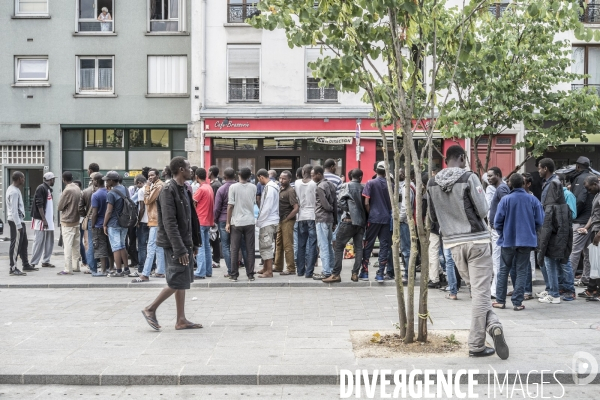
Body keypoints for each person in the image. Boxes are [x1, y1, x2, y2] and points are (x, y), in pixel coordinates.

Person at [428, 145, 508, 359]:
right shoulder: (469, 177)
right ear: (462, 158)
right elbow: (483, 210)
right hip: (477, 241)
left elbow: (432, 218)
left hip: (453, 244)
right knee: (481, 293)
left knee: (476, 291)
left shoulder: (432, 182)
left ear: (446, 160)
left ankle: (493, 325)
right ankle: (476, 344)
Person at [141, 157, 202, 331]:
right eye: (189, 167)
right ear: (181, 169)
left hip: (184, 241)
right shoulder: (168, 190)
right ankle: (150, 309)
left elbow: (192, 218)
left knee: (182, 280)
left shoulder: (184, 189)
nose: (192, 170)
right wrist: (180, 248)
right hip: (175, 243)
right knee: (176, 279)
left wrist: (194, 243)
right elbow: (169, 223)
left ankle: (181, 319)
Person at [493, 173, 544, 311]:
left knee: (503, 270)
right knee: (522, 271)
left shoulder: (505, 200)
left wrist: (502, 233)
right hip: (526, 241)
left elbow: (497, 221)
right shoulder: (533, 200)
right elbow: (540, 221)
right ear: (523, 183)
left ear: (510, 184)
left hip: (508, 240)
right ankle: (517, 302)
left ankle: (500, 300)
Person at [536, 158, 573, 304]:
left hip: (552, 228)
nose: (538, 170)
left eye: (539, 168)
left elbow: (551, 208)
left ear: (545, 168)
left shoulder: (553, 183)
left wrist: (547, 228)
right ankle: (552, 288)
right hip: (553, 227)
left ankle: (555, 292)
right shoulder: (552, 183)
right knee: (549, 259)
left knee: (549, 259)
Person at [324, 168, 366, 283]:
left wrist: (348, 210)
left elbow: (340, 201)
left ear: (350, 176)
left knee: (338, 247)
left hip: (348, 220)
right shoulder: (364, 187)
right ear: (361, 177)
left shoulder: (345, 186)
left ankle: (336, 274)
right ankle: (355, 274)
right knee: (358, 248)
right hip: (361, 223)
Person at [361, 161, 393, 282]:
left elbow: (366, 202)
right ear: (386, 171)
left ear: (376, 170)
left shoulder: (370, 183)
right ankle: (380, 273)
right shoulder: (391, 185)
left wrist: (371, 213)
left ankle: (364, 272)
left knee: (368, 244)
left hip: (374, 218)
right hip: (386, 218)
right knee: (384, 245)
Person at [132, 169, 165, 283]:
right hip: (156, 220)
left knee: (150, 247)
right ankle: (160, 271)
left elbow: (147, 200)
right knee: (158, 246)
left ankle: (145, 274)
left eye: (152, 175)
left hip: (155, 220)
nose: (150, 177)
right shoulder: (157, 185)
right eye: (149, 175)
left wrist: (146, 187)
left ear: (158, 175)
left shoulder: (157, 186)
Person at [226, 167, 257, 282]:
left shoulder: (233, 187)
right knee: (250, 248)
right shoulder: (253, 187)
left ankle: (234, 275)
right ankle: (250, 274)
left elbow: (230, 205)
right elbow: (254, 202)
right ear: (249, 176)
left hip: (236, 222)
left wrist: (228, 222)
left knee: (234, 248)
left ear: (238, 174)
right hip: (249, 221)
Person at [569, 156, 594, 287]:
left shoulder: (580, 179)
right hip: (592, 220)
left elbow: (579, 200)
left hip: (581, 220)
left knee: (575, 250)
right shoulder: (592, 177)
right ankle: (586, 278)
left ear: (578, 166)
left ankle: (568, 280)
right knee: (587, 251)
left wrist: (573, 215)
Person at [487, 167, 510, 299]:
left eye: (491, 176)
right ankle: (497, 289)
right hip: (498, 229)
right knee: (498, 260)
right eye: (488, 176)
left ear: (498, 175)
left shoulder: (501, 189)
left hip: (498, 231)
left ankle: (496, 290)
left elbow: (506, 207)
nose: (489, 178)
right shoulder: (501, 188)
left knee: (497, 260)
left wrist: (499, 226)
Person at [576, 175, 600, 301]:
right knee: (594, 262)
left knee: (598, 263)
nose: (588, 191)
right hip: (594, 230)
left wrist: (598, 234)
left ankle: (596, 291)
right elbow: (594, 214)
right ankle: (592, 289)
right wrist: (586, 227)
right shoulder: (596, 195)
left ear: (595, 184)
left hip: (598, 233)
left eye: (589, 188)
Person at [312, 165, 337, 280]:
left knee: (323, 246)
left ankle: (326, 271)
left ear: (319, 174)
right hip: (330, 219)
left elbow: (326, 205)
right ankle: (331, 269)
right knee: (328, 245)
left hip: (322, 218)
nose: (312, 177)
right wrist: (335, 219)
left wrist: (330, 209)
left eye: (313, 175)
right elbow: (335, 205)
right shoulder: (331, 185)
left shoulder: (320, 187)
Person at [103, 171, 129, 277]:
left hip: (114, 223)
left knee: (116, 247)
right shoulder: (125, 189)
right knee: (122, 245)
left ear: (111, 181)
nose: (106, 182)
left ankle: (118, 270)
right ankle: (126, 268)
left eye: (107, 180)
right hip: (125, 221)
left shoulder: (111, 193)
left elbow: (109, 211)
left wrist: (104, 224)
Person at [57, 172, 83, 275]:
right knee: (76, 246)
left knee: (67, 246)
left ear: (64, 179)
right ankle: (76, 266)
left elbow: (60, 206)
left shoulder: (67, 190)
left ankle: (68, 269)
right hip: (76, 220)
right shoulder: (77, 188)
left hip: (67, 221)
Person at [255, 169, 280, 278]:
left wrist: (259, 221)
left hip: (268, 221)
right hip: (271, 220)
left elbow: (267, 207)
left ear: (261, 177)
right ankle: (265, 268)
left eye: (258, 179)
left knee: (266, 246)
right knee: (265, 245)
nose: (259, 182)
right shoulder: (273, 187)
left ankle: (269, 271)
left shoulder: (269, 188)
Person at [295, 164, 318, 278]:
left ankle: (300, 271)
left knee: (301, 244)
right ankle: (309, 272)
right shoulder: (314, 184)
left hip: (301, 216)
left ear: (303, 171)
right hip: (312, 215)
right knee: (312, 244)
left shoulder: (297, 183)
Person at [274, 170, 299, 276]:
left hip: (287, 220)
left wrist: (288, 218)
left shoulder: (290, 191)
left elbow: (296, 208)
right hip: (280, 220)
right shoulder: (280, 189)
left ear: (289, 179)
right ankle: (278, 266)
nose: (281, 180)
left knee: (288, 245)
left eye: (284, 178)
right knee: (278, 243)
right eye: (280, 178)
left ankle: (291, 268)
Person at [7, 171, 31, 276]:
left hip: (19, 220)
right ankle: (12, 268)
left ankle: (25, 264)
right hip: (15, 221)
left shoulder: (14, 189)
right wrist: (18, 225)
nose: (24, 180)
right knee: (15, 245)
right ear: (19, 178)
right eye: (23, 178)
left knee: (23, 243)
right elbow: (14, 210)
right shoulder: (14, 192)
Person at [30, 172, 56, 269]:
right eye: (53, 179)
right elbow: (39, 204)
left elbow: (48, 205)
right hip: (42, 219)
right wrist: (44, 219)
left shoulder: (48, 189)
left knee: (49, 241)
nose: (54, 181)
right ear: (50, 179)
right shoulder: (41, 188)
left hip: (48, 220)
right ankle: (33, 262)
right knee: (39, 241)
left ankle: (46, 261)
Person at [193, 168, 215, 279]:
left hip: (200, 220)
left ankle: (200, 271)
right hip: (208, 221)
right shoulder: (209, 187)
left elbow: (193, 203)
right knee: (206, 246)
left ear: (197, 176)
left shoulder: (201, 189)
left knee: (200, 246)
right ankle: (208, 270)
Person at [215, 168, 236, 278]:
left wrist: (215, 219)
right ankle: (248, 271)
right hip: (237, 220)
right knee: (238, 245)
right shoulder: (239, 187)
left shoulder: (221, 189)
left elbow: (217, 208)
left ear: (224, 177)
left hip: (223, 220)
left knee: (226, 246)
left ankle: (230, 270)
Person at [91, 173, 111, 275]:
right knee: (110, 246)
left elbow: (94, 213)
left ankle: (103, 270)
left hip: (99, 224)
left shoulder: (95, 195)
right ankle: (111, 268)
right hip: (109, 223)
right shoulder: (109, 192)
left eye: (93, 180)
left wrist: (92, 225)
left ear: (96, 181)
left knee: (100, 247)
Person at [399, 168, 416, 283]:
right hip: (409, 220)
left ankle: (408, 274)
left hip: (405, 222)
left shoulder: (407, 187)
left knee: (406, 249)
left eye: (400, 172)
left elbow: (406, 206)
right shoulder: (412, 185)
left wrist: (399, 219)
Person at [208, 166, 222, 270]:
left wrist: (214, 217)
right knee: (213, 237)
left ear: (211, 172)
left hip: (214, 215)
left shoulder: (215, 185)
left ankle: (216, 260)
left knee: (214, 237)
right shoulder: (214, 184)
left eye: (208, 171)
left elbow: (215, 203)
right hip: (214, 215)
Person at [135, 175, 149, 275]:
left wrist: (138, 221)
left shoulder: (141, 191)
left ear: (140, 182)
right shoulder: (153, 188)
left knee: (142, 245)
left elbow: (142, 208)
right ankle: (152, 266)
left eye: (137, 184)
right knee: (152, 246)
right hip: (152, 221)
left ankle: (141, 267)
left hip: (144, 221)